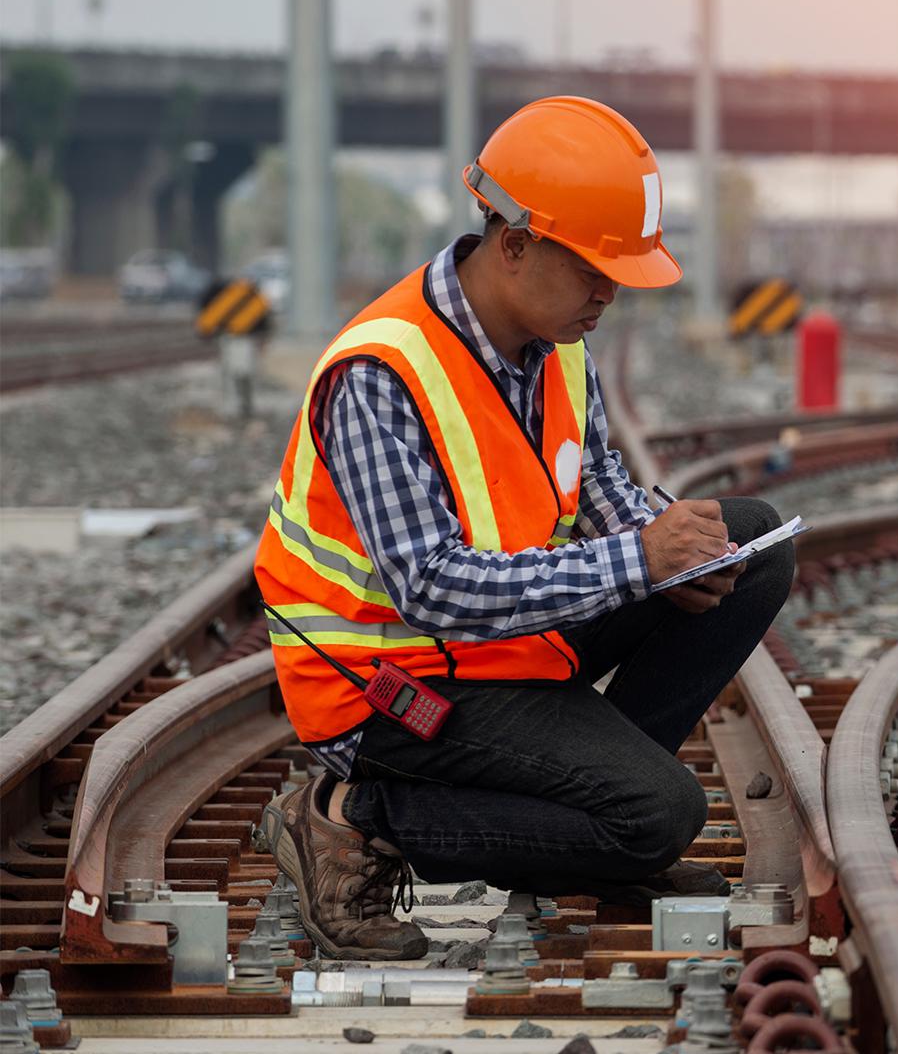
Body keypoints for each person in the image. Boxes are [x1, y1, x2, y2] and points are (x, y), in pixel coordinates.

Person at [253, 96, 793, 960]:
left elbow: (597, 486)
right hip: (390, 684)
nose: (608, 294)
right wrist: (637, 561)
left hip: (505, 643)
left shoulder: (555, 342)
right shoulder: (382, 372)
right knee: (663, 816)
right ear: (514, 246)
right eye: (592, 270)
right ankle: (349, 819)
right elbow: (431, 589)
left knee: (751, 538)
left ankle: (600, 800)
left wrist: (676, 549)